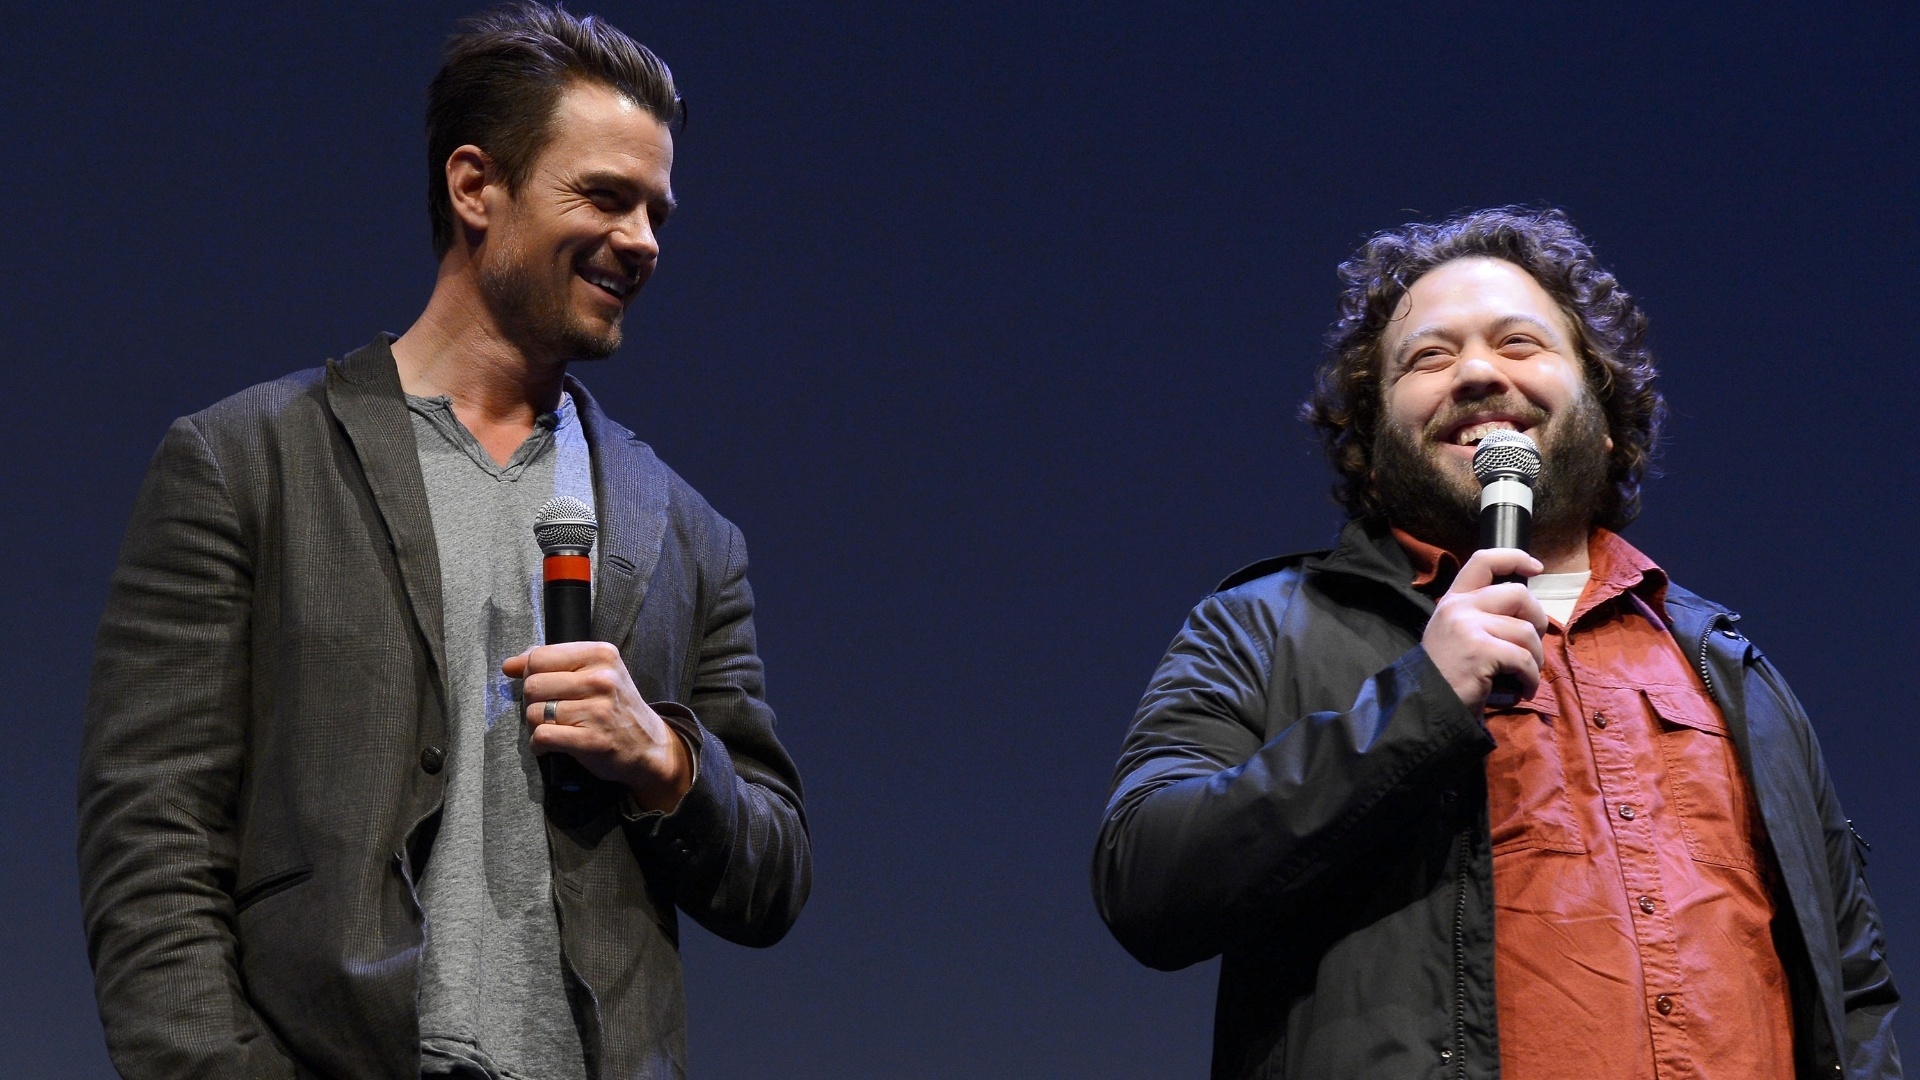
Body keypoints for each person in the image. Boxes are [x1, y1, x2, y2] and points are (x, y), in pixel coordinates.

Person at [76, 5, 809, 1077]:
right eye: (606, 196)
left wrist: (663, 761)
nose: (645, 240)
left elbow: (773, 875)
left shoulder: (691, 535)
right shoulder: (246, 463)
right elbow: (150, 843)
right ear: (475, 186)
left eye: (657, 210)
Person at [1092, 206, 1900, 1080]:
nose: (1478, 373)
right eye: (1429, 358)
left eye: (1519, 343)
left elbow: (1853, 991)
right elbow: (1146, 881)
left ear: (1604, 419)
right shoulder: (1261, 624)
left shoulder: (1730, 669)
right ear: (1373, 445)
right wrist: (1419, 703)